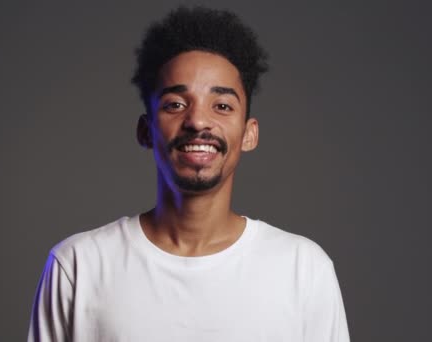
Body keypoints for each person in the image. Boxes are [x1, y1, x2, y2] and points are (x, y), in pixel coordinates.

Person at [28, 6, 349, 342]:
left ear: (249, 133)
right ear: (146, 130)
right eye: (176, 105)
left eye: (222, 106)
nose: (198, 121)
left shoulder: (303, 269)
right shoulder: (79, 265)